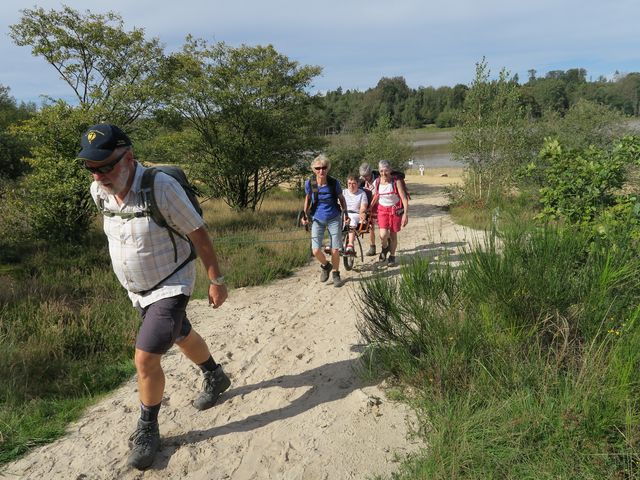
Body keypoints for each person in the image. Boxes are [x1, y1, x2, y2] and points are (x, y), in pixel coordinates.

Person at [78, 124, 231, 470]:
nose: (99, 174)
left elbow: (199, 233)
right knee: (180, 333)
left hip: (171, 283)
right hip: (138, 291)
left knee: (146, 358)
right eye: (92, 167)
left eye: (106, 165)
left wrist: (215, 279)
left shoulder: (161, 188)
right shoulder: (99, 191)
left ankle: (148, 428)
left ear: (128, 157)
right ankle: (215, 374)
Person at [300, 154, 347, 287]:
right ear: (314, 169)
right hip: (317, 219)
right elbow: (308, 199)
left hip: (334, 218)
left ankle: (336, 273)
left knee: (335, 249)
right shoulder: (311, 183)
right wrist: (305, 215)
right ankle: (326, 265)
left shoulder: (333, 183)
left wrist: (346, 214)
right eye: (318, 168)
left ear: (328, 168)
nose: (321, 171)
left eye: (324, 167)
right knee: (315, 250)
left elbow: (341, 198)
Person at [369, 159, 409, 267]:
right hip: (382, 210)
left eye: (386, 171)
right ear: (379, 171)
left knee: (393, 234)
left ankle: (392, 256)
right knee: (383, 235)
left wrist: (405, 214)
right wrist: (369, 208)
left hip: (395, 210)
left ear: (390, 170)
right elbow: (375, 195)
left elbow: (404, 198)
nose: (383, 173)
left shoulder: (396, 182)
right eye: (381, 171)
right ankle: (385, 247)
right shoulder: (377, 182)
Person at [342, 174, 369, 254]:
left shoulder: (362, 194)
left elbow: (363, 207)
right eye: (349, 183)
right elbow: (339, 204)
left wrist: (362, 214)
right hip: (344, 213)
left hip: (356, 214)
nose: (351, 186)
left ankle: (350, 244)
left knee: (352, 219)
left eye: (354, 183)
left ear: (358, 184)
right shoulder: (343, 192)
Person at [358, 163, 380, 256]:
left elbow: (378, 194)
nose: (365, 177)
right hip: (368, 205)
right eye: (363, 176)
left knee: (383, 226)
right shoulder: (361, 181)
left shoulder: (378, 179)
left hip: (379, 204)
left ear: (371, 172)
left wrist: (371, 206)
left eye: (367, 175)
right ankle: (372, 247)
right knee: (370, 227)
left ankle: (386, 244)